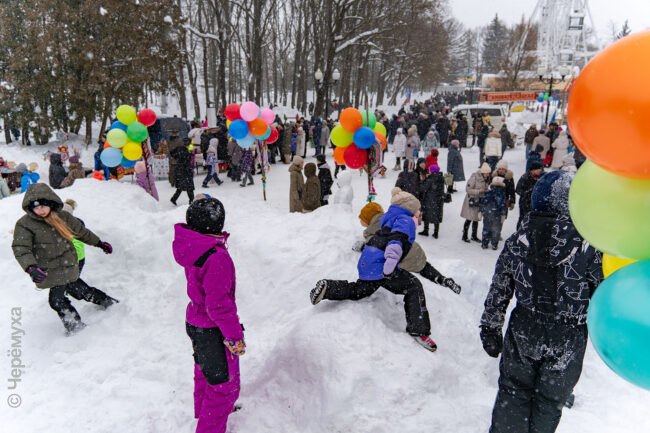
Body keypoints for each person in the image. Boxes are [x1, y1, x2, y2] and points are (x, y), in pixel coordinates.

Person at [480, 171, 603, 433]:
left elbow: (500, 286)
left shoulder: (518, 240)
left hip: (525, 327)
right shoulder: (589, 247)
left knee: (513, 392)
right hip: (568, 334)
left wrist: (491, 326)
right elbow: (601, 292)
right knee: (549, 402)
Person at [310, 188, 438, 352]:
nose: (419, 213)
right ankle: (419, 330)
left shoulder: (389, 218)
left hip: (369, 260)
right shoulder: (405, 220)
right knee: (414, 286)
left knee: (360, 290)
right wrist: (389, 267)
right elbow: (396, 242)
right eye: (417, 209)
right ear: (410, 208)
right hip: (383, 265)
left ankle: (329, 287)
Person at [172, 198, 244, 433]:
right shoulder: (215, 256)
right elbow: (219, 306)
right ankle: (210, 424)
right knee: (223, 387)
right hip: (213, 328)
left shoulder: (193, 245)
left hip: (196, 321)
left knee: (205, 372)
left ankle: (205, 413)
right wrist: (234, 336)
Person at [11, 184, 116, 334]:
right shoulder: (25, 225)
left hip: (68, 264)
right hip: (50, 270)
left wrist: (99, 243)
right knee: (78, 289)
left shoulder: (63, 217)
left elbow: (82, 233)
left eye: (43, 206)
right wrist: (30, 267)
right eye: (36, 208)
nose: (40, 210)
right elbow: (21, 248)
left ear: (50, 202)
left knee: (57, 300)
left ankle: (76, 328)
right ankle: (106, 302)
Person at [461, 163, 491, 243]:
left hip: (478, 201)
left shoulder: (486, 179)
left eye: (488, 173)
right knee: (469, 219)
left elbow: (485, 189)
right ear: (483, 172)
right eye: (487, 173)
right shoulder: (474, 178)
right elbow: (468, 189)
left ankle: (474, 236)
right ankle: (464, 235)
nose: (488, 175)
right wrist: (478, 191)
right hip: (471, 201)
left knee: (476, 219)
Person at [418, 165, 446, 238]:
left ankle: (426, 231)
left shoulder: (430, 179)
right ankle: (436, 233)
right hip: (438, 201)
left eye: (430, 170)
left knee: (426, 215)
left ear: (432, 171)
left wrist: (422, 180)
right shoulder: (441, 178)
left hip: (429, 200)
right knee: (436, 215)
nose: (429, 171)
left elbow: (423, 188)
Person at [480, 176, 507, 250]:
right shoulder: (502, 194)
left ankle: (484, 243)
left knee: (486, 228)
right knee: (496, 230)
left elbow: (483, 202)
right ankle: (494, 244)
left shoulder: (488, 193)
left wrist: (481, 211)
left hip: (487, 214)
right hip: (497, 215)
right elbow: (503, 205)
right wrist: (503, 214)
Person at [516, 161, 543, 229]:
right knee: (523, 219)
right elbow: (518, 190)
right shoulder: (525, 177)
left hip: (537, 203)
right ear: (532, 170)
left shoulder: (543, 177)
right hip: (525, 203)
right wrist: (528, 192)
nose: (540, 171)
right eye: (538, 169)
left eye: (540, 169)